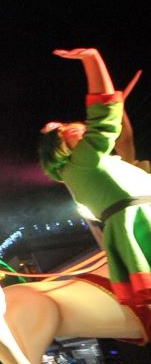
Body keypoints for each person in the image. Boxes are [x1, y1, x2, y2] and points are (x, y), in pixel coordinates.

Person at [39, 48, 151, 306]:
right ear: (59, 147)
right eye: (73, 131)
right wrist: (92, 59)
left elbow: (122, 137)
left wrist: (117, 108)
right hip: (142, 223)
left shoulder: (101, 166)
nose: (83, 130)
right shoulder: (82, 164)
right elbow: (105, 120)